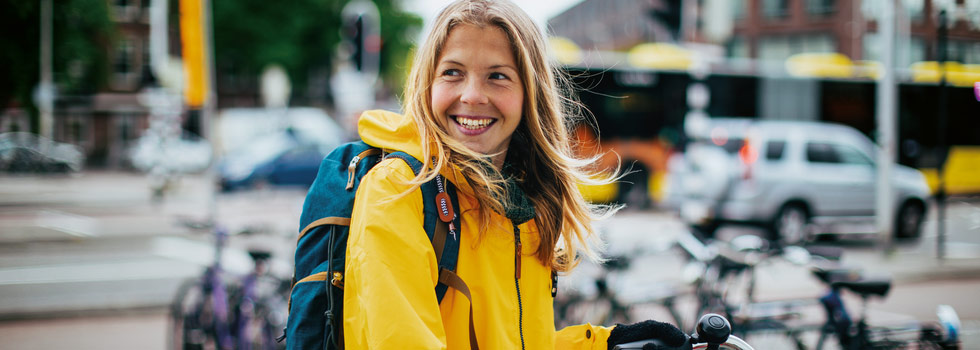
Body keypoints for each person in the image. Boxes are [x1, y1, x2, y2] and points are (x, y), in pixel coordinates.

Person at [343, 0, 685, 348]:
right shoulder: (397, 190)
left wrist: (607, 345)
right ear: (426, 84)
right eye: (452, 72)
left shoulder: (525, 203)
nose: (473, 95)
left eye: (497, 76)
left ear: (530, 92)